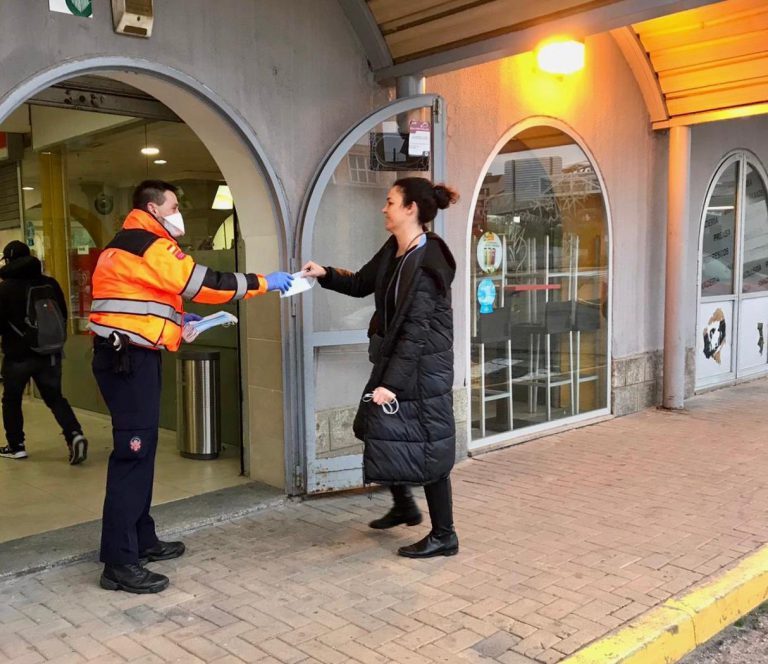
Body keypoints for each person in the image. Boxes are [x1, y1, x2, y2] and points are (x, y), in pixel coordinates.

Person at [90, 180, 292, 594]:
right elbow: (207, 284)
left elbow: (141, 305)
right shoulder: (149, 243)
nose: (178, 210)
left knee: (141, 454)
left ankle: (140, 538)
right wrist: (263, 283)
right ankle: (119, 562)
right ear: (154, 208)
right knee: (132, 456)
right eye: (174, 205)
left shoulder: (126, 244)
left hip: (129, 356)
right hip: (128, 361)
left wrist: (180, 325)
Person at [303, 177, 459, 558]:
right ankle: (404, 504)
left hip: (423, 367)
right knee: (379, 428)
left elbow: (416, 331)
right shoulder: (396, 249)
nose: (383, 208)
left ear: (410, 209)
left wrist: (390, 383)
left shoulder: (428, 261)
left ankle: (445, 535)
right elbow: (361, 282)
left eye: (390, 201)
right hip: (398, 360)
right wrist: (325, 273)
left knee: (430, 445)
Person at [0, 240, 88, 464]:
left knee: (11, 400)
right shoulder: (49, 283)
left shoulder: (5, 288)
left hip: (17, 356)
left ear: (8, 260)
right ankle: (74, 434)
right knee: (55, 398)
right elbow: (63, 315)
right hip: (49, 354)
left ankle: (16, 446)